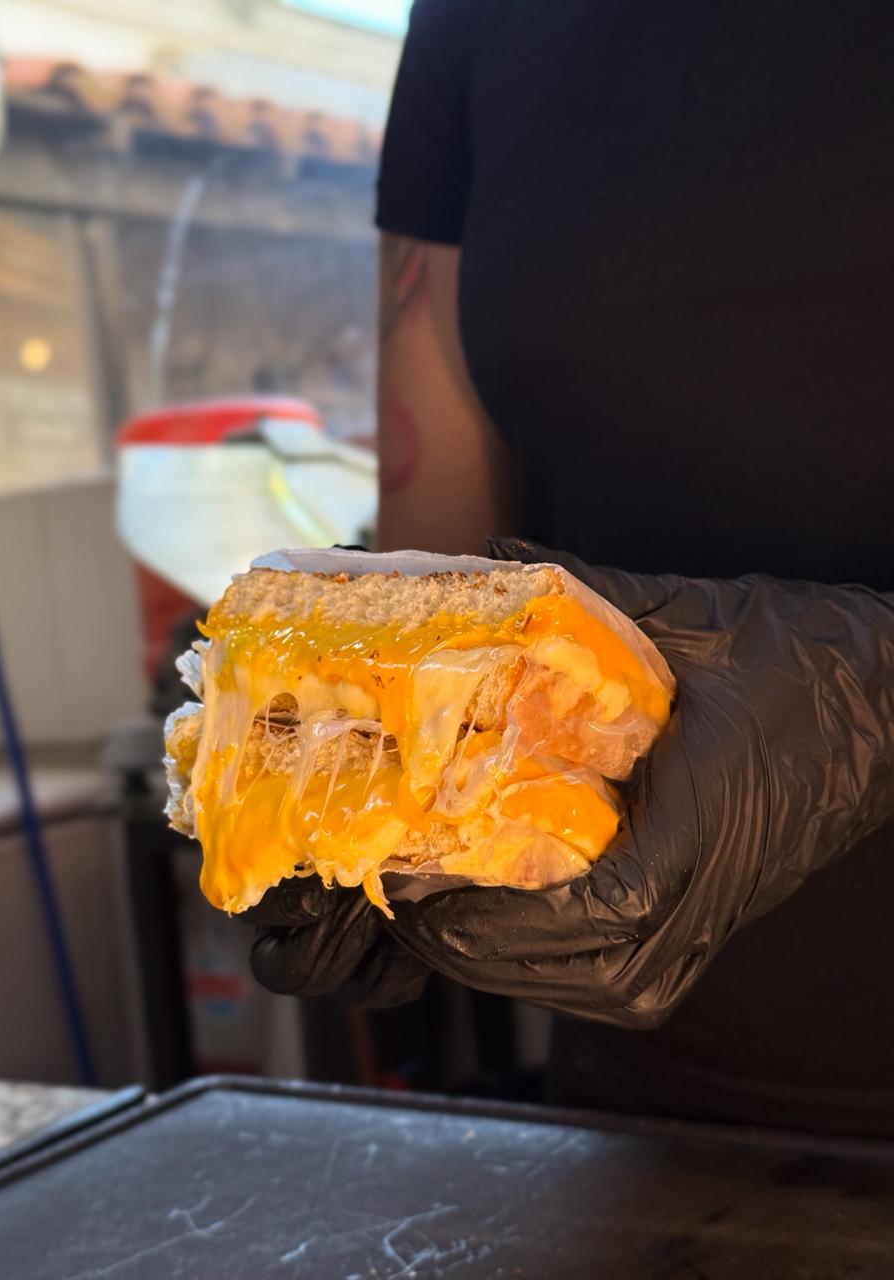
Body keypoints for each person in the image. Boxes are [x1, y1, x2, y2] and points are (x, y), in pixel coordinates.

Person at [247, 0, 894, 1137]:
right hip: (651, 1102)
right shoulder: (470, 20)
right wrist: (362, 771)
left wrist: (874, 691)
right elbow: (443, 567)